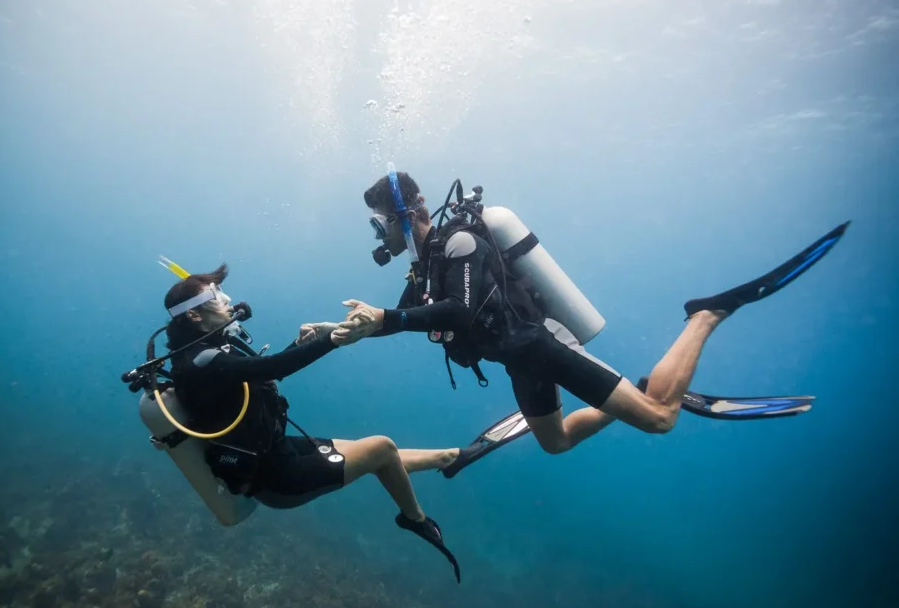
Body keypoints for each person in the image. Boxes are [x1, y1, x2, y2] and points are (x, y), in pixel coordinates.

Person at [333, 170, 848, 477]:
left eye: (378, 221)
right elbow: (402, 316)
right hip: (517, 360)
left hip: (540, 345)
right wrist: (340, 330)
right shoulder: (425, 265)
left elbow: (456, 314)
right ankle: (637, 391)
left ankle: (705, 314)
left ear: (403, 214)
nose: (376, 233)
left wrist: (387, 318)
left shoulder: (459, 243)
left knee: (660, 418)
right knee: (555, 443)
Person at [124, 261, 462, 582]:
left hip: (276, 452)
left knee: (378, 456)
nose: (227, 300)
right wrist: (332, 339)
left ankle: (449, 459)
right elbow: (275, 369)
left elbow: (260, 377)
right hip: (279, 479)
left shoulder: (206, 354)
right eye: (215, 295)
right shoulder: (205, 361)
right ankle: (414, 519)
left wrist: (301, 344)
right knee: (381, 448)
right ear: (195, 314)